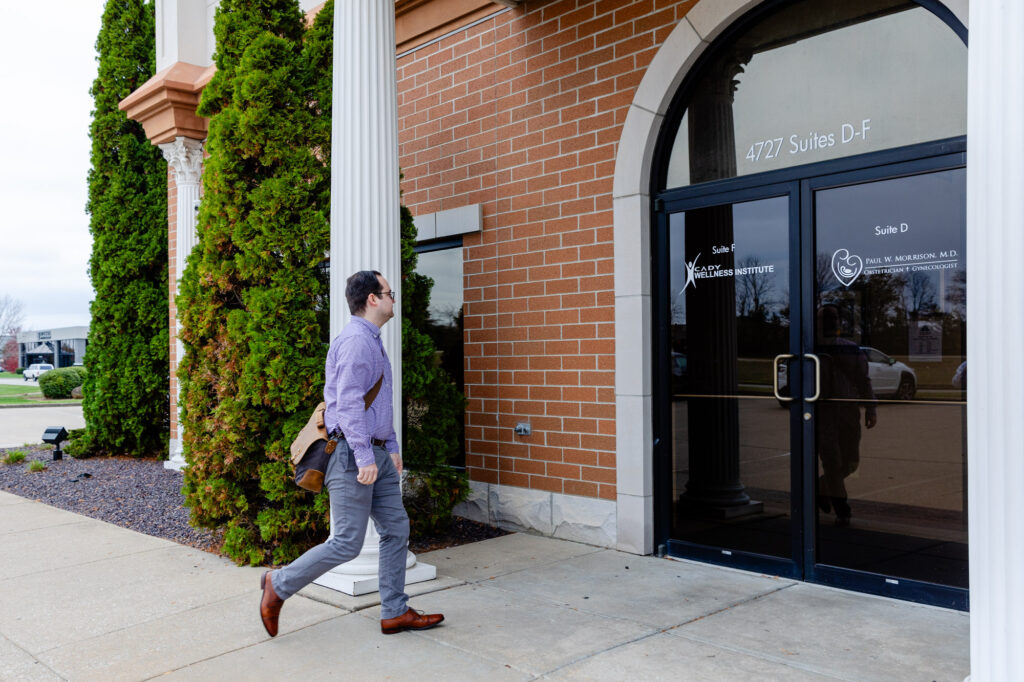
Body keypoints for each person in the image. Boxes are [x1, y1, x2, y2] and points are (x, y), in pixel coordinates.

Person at [260, 270, 444, 636]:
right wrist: (364, 456)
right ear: (373, 299)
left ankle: (394, 611)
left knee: (396, 529)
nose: (394, 299)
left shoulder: (372, 341)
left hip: (375, 454)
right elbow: (346, 406)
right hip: (351, 457)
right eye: (389, 292)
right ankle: (278, 583)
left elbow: (376, 404)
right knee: (346, 542)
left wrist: (390, 447)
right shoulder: (357, 342)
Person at [815, 304, 877, 527]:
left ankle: (820, 488)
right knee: (832, 461)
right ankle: (843, 510)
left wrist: (871, 408)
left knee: (851, 463)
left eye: (833, 318)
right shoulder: (810, 349)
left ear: (840, 322)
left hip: (849, 412)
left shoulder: (851, 349)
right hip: (823, 413)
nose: (830, 323)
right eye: (824, 319)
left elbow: (864, 381)